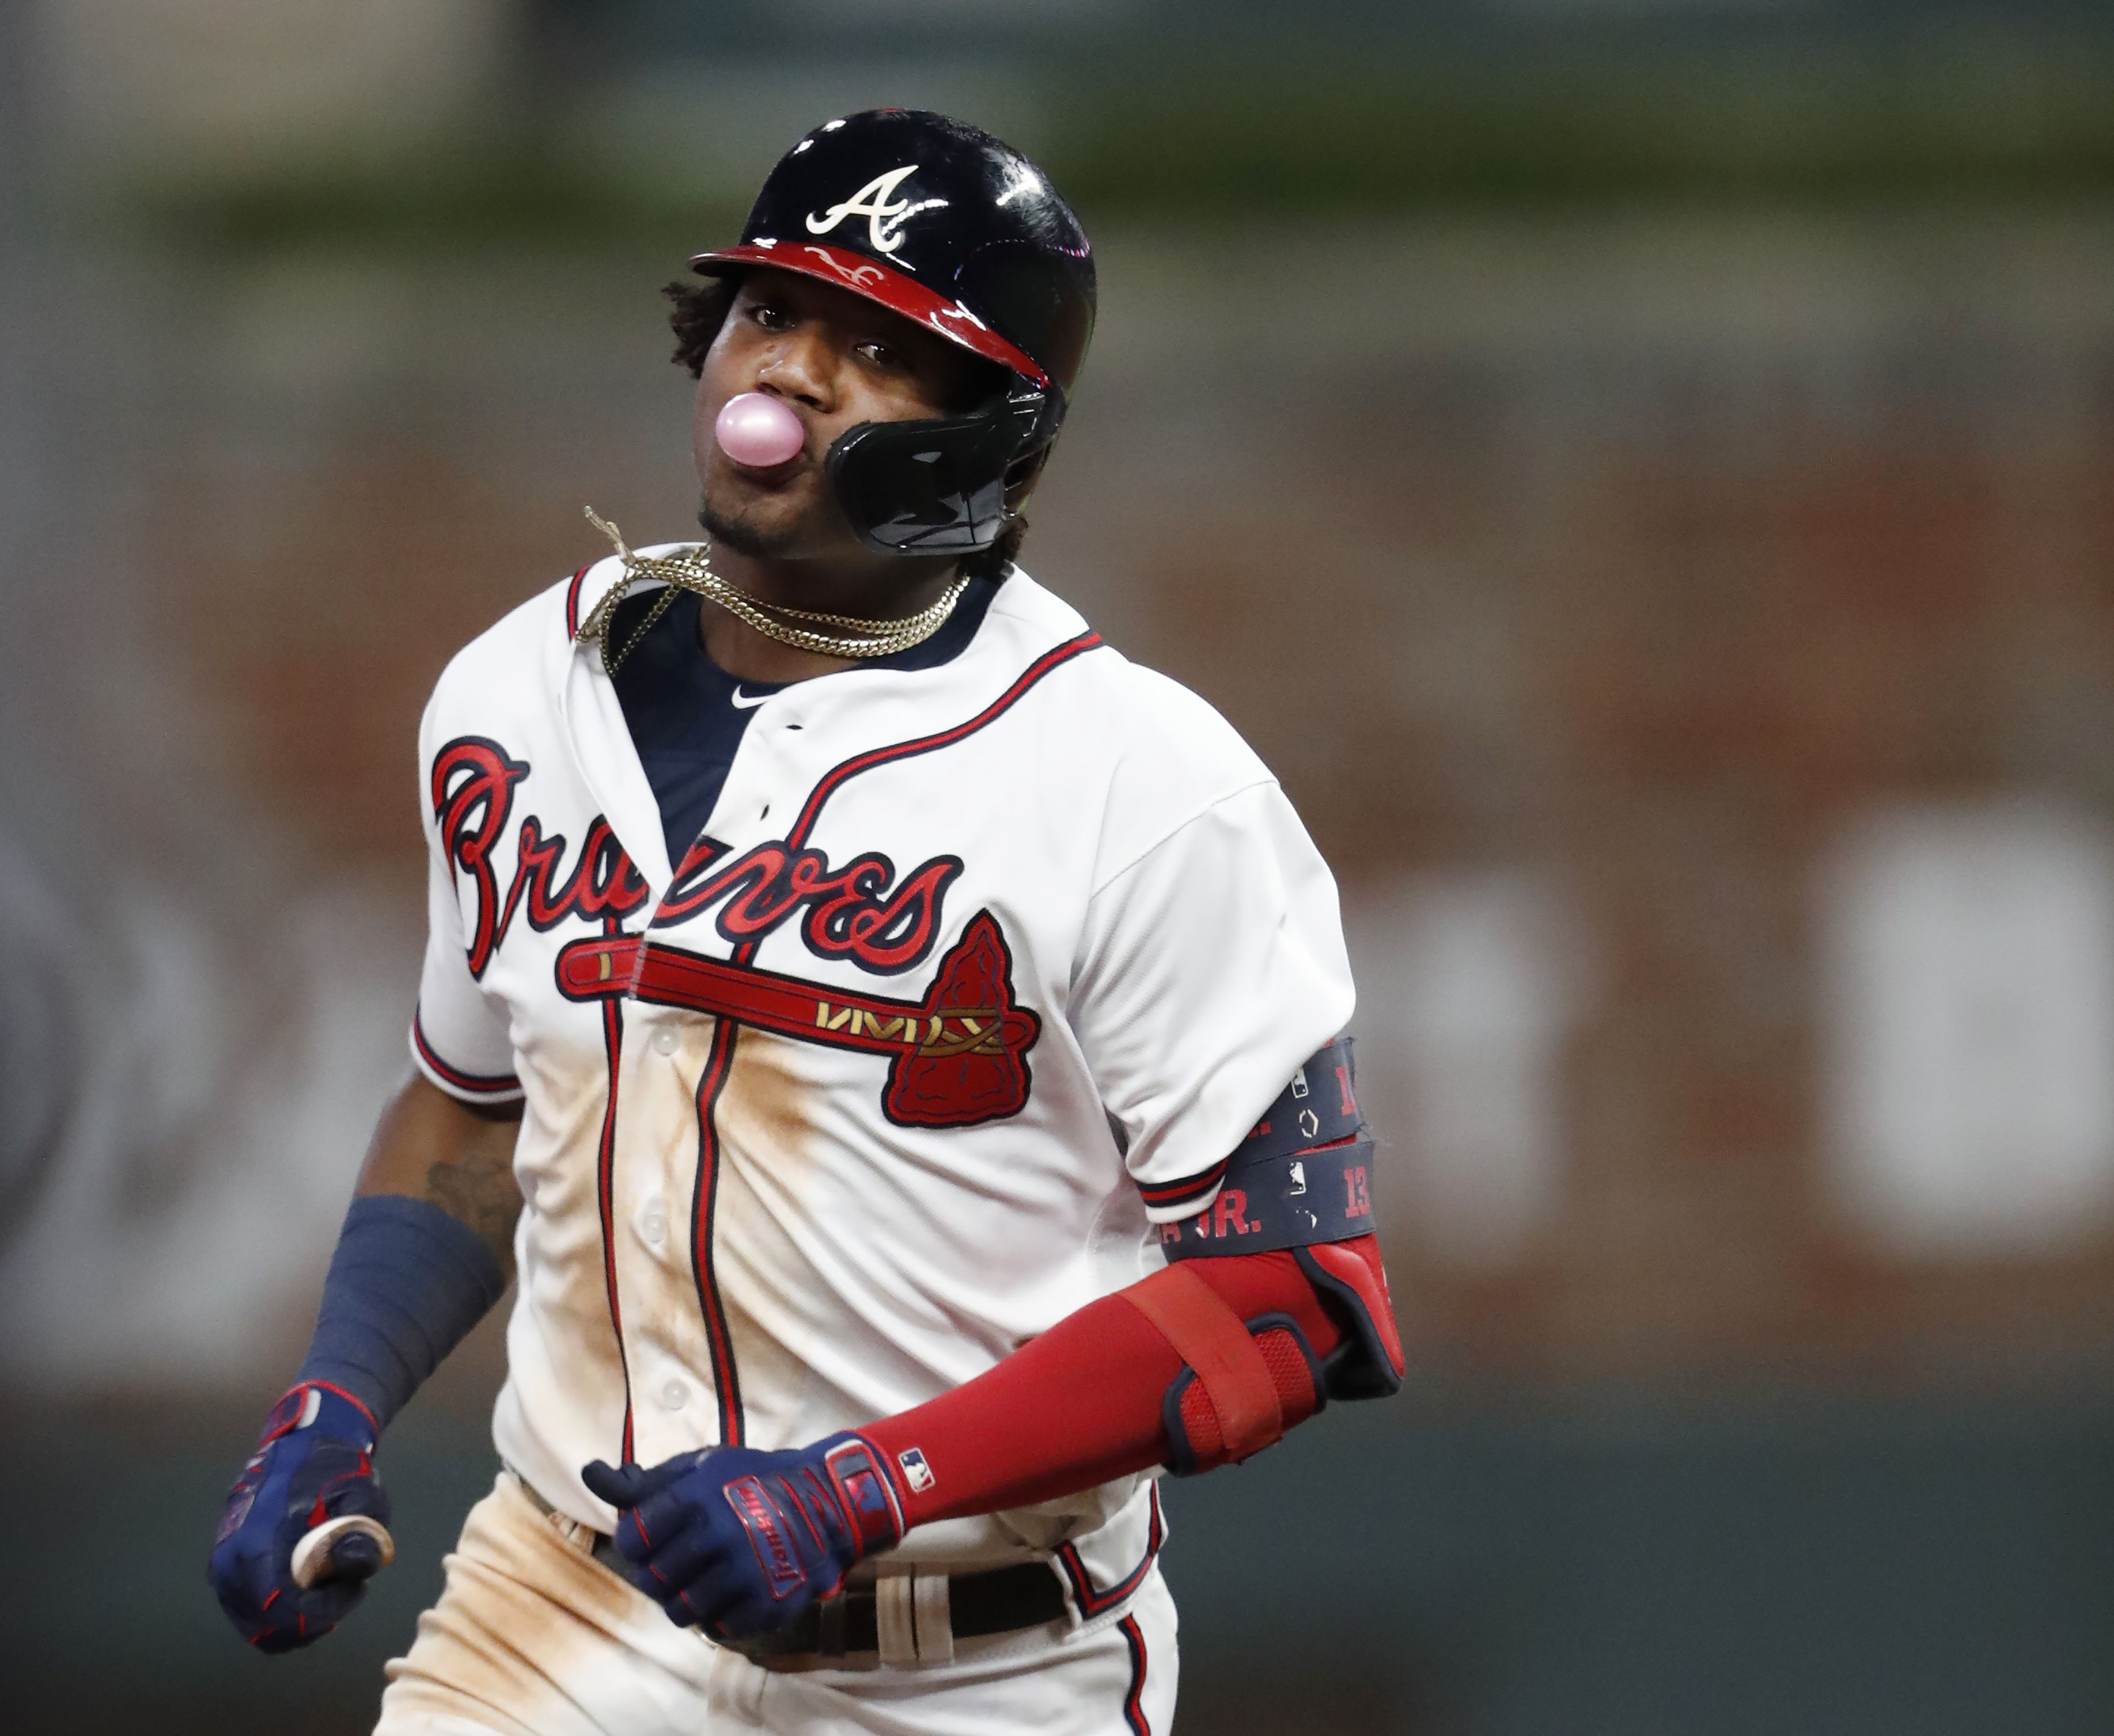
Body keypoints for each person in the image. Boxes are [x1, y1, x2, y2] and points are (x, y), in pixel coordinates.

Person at [207, 108, 1404, 1736]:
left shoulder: (1141, 778)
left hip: (976, 1665)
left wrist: (865, 1487)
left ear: (997, 429)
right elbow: (479, 1113)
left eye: (886, 346)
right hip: (561, 1608)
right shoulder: (514, 694)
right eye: (775, 313)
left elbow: (1293, 1297)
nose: (800, 374)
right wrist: (333, 1400)